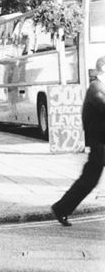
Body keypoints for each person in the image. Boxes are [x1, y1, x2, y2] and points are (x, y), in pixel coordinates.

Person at [52, 55, 105, 226]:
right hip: (100, 142)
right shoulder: (96, 87)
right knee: (89, 179)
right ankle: (61, 208)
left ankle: (62, 208)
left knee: (89, 178)